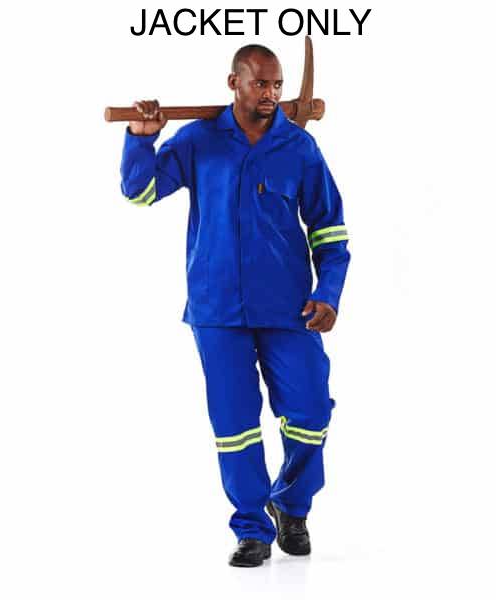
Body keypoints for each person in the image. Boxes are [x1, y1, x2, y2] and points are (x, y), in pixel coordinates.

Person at [119, 44, 350, 567]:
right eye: (260, 84)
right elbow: (140, 191)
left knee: (311, 411)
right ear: (234, 83)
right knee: (235, 423)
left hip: (290, 309)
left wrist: (328, 293)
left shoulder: (299, 148)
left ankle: (291, 505)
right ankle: (251, 529)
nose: (271, 94)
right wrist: (142, 137)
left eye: (277, 85)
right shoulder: (199, 140)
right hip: (217, 309)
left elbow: (330, 231)